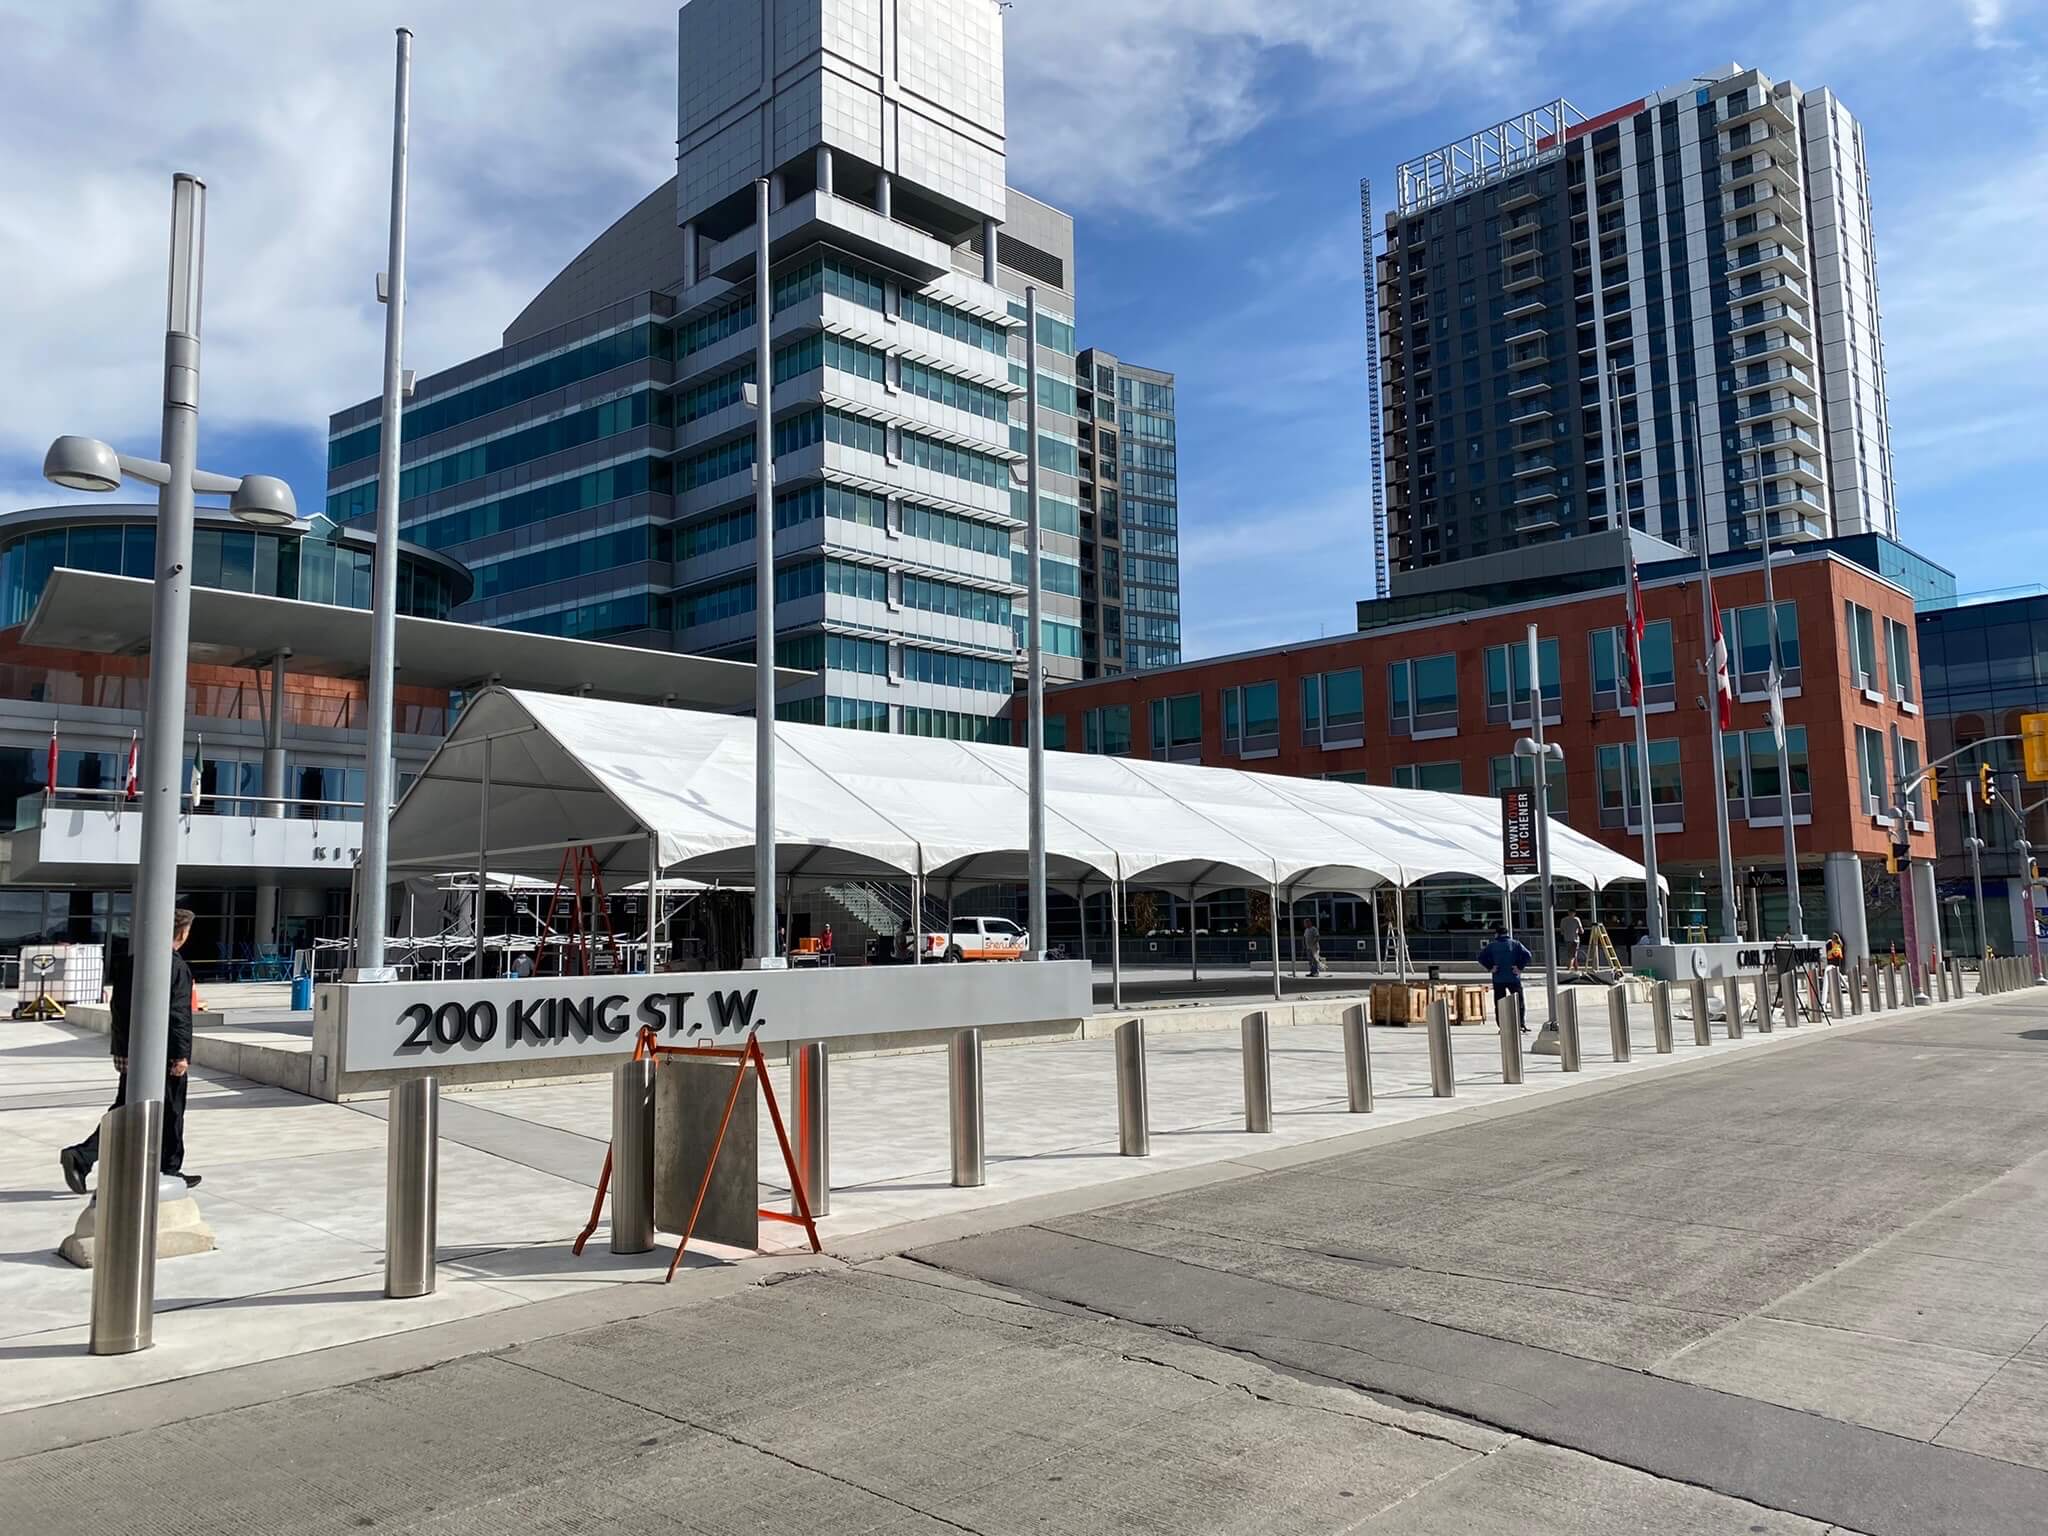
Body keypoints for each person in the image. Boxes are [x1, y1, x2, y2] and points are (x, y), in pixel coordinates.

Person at [61, 908, 200, 1194]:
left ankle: (83, 1157)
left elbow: (119, 1008)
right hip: (164, 1052)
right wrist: (181, 1054)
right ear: (182, 934)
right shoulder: (175, 967)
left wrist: (121, 1049)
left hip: (135, 1050)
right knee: (171, 1111)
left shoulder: (134, 962)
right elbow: (178, 1013)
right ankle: (168, 1169)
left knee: (127, 1108)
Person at [1478, 926, 1535, 1032]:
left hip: (1498, 978)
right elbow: (1528, 955)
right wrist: (1519, 967)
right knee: (1519, 1002)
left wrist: (1491, 967)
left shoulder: (1492, 946)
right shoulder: (1516, 944)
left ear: (1496, 934)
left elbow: (1481, 957)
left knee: (1500, 1003)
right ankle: (1520, 1024)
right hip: (1513, 977)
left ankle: (1502, 1026)